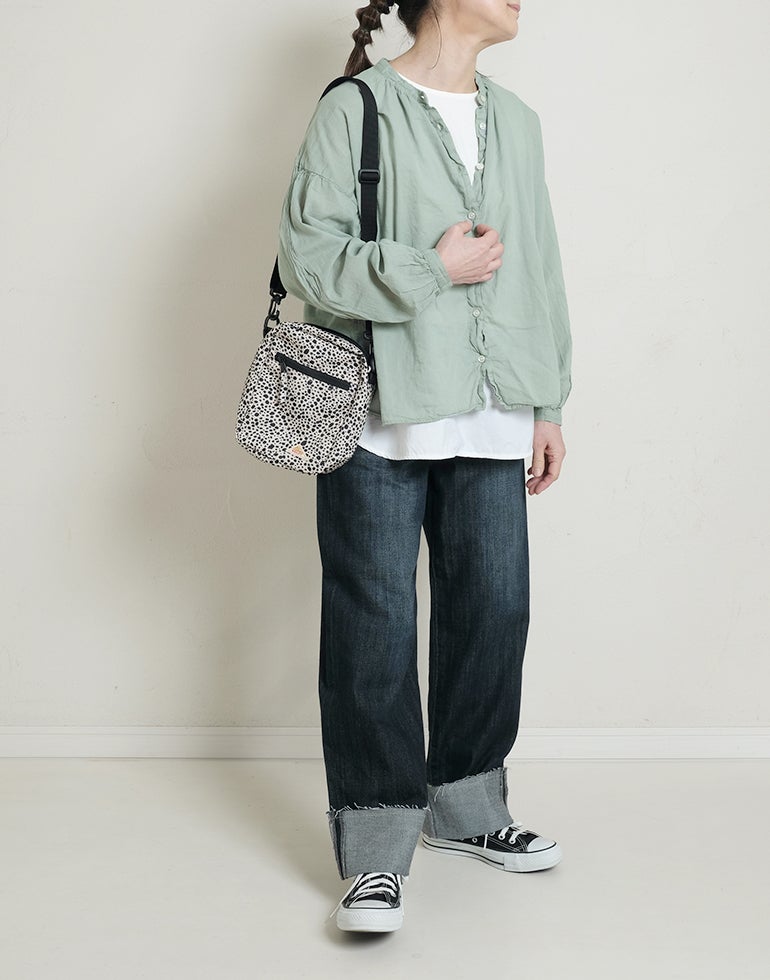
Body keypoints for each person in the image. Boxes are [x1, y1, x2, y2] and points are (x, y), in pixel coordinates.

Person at [276, 0, 572, 933]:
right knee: (373, 624)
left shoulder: (516, 120)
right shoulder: (356, 107)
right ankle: (375, 848)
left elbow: (540, 266)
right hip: (380, 406)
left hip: (494, 403)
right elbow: (307, 256)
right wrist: (432, 270)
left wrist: (549, 402)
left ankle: (469, 809)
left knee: (495, 608)